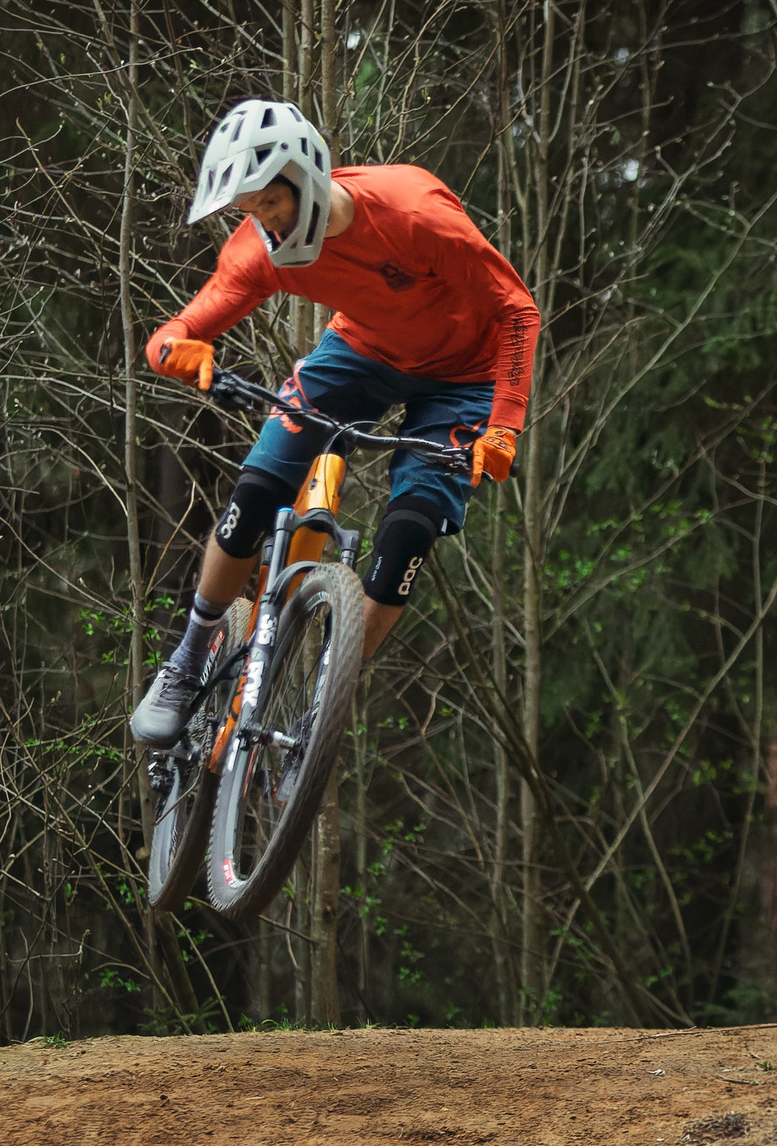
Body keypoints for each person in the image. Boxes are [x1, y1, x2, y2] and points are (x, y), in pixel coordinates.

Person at [127, 98, 538, 746]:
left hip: (464, 377)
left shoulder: (412, 213)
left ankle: (326, 699)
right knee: (256, 493)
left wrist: (505, 424)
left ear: (307, 178)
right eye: (249, 212)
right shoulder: (259, 251)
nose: (261, 225)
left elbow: (516, 309)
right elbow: (172, 333)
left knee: (409, 531)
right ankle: (187, 658)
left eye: (267, 205)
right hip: (361, 354)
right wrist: (176, 349)